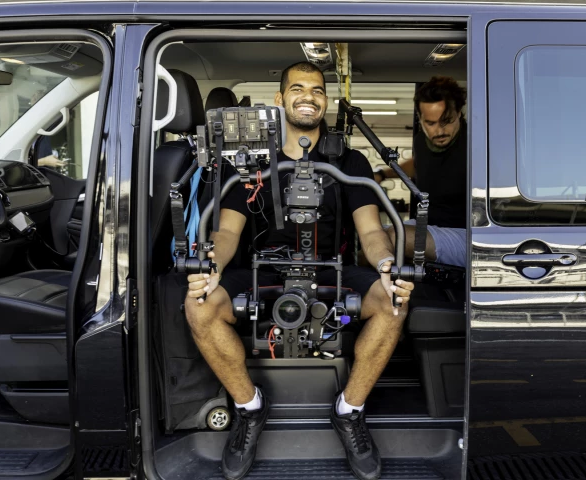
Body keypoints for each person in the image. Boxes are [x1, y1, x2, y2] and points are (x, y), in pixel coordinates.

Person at [184, 62, 415, 480]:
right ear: (280, 99)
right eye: (297, 88)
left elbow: (371, 231)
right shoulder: (251, 161)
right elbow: (228, 232)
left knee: (393, 300)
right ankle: (249, 408)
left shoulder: (349, 161)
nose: (308, 96)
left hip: (331, 272)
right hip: (264, 271)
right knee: (199, 304)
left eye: (317, 90)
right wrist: (211, 266)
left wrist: (386, 265)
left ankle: (349, 410)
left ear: (325, 101)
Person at [373, 76, 466, 267]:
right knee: (372, 238)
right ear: (420, 119)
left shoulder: (475, 143)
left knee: (396, 237)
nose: (439, 131)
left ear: (459, 113)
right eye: (430, 123)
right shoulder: (421, 142)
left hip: (466, 235)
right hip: (430, 226)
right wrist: (382, 174)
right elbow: (417, 165)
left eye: (446, 121)